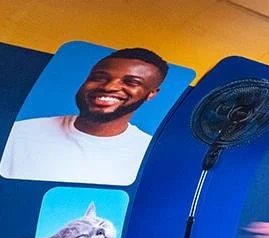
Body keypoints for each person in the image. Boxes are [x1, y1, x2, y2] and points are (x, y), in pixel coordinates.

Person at [1, 48, 169, 185]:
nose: (109, 87)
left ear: (151, 94)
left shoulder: (151, 155)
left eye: (131, 82)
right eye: (99, 78)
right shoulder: (18, 133)